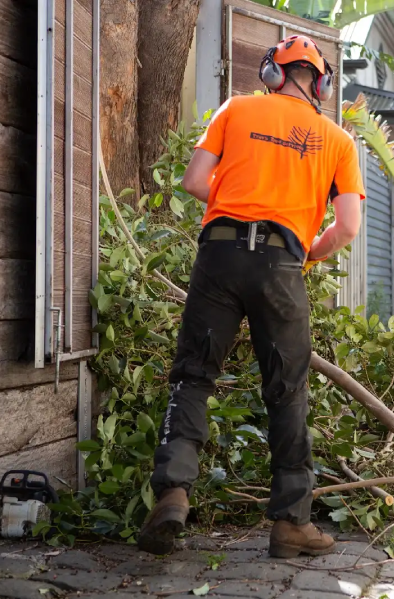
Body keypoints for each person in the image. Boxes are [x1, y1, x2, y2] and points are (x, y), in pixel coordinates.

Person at [138, 35, 365, 557]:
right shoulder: (338, 141)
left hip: (218, 254)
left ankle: (172, 493)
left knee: (194, 375)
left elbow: (196, 181)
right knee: (286, 391)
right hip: (281, 263)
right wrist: (304, 254)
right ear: (322, 84)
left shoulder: (236, 108)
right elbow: (348, 226)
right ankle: (290, 524)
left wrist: (238, 200)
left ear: (272, 74)